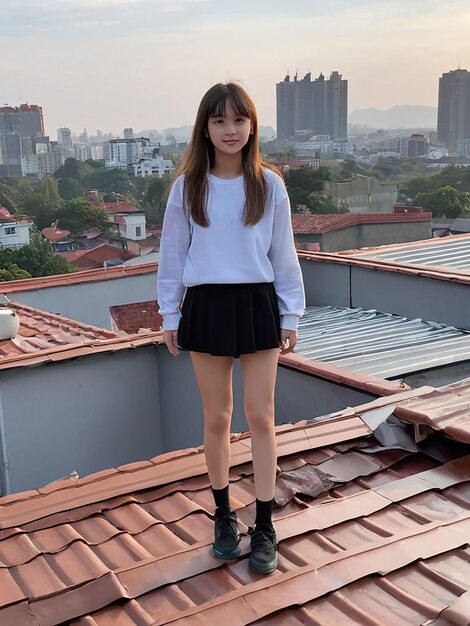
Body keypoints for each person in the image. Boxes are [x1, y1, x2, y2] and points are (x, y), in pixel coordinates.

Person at [157, 82, 305, 575]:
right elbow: (172, 258)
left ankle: (264, 523)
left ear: (252, 125)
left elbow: (284, 255)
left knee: (261, 416)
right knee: (217, 417)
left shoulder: (270, 185)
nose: (230, 130)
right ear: (205, 127)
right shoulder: (187, 187)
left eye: (239, 120)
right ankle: (224, 516)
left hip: (258, 303)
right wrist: (170, 315)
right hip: (206, 305)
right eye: (219, 121)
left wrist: (291, 314)